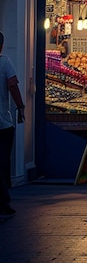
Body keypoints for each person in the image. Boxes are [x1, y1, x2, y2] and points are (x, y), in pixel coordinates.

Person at [0, 32, 25, 216]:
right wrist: (21, 107)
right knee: (2, 163)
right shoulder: (4, 62)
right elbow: (13, 85)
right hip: (2, 123)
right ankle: (3, 203)